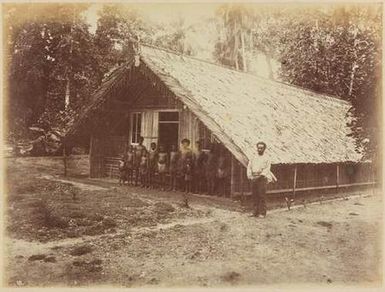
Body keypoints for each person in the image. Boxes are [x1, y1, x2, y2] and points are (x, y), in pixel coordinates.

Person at [247, 141, 274, 218]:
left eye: (261, 148)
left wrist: (259, 177)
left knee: (261, 195)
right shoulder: (253, 157)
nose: (260, 149)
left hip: (262, 178)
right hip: (253, 177)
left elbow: (267, 169)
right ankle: (254, 212)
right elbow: (249, 167)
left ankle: (262, 213)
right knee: (254, 195)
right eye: (258, 148)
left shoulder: (267, 158)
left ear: (264, 149)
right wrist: (250, 176)